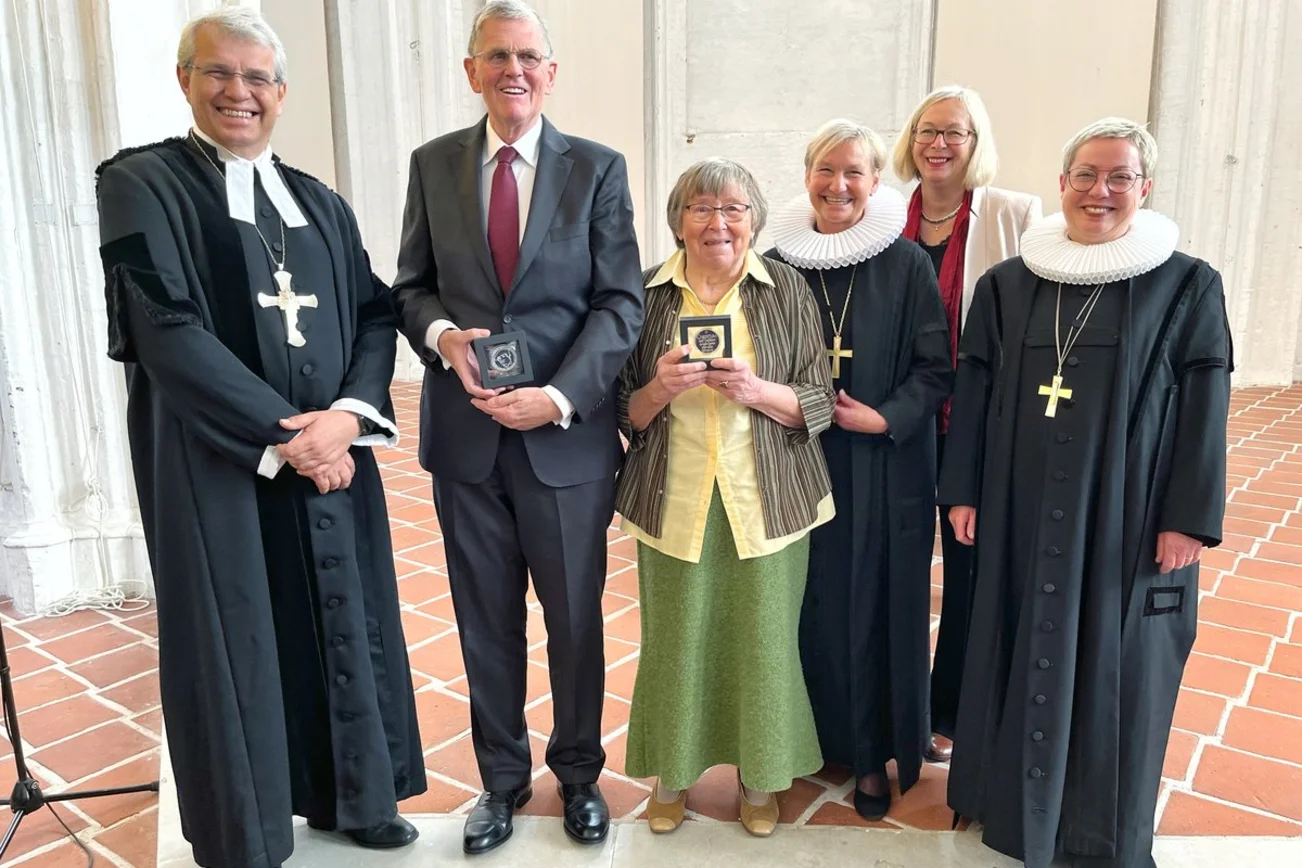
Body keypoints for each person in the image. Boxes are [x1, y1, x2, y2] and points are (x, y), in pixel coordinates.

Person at [94, 7, 423, 867]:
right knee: (236, 634)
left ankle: (354, 796)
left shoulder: (318, 200)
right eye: (219, 74)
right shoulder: (141, 184)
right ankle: (246, 829)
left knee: (343, 618)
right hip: (218, 462)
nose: (239, 92)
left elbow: (375, 314)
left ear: (281, 92)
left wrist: (348, 418)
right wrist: (287, 437)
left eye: (257, 78)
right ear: (186, 82)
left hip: (330, 456)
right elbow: (163, 324)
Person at [939, 118, 1232, 868]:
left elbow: (1205, 408)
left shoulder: (1187, 283)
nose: (1100, 192)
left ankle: (1094, 827)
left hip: (1125, 514)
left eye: (1120, 178)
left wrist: (1188, 519)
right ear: (1062, 183)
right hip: (1016, 501)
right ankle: (1002, 800)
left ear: (1145, 188)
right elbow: (972, 388)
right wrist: (963, 489)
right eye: (1086, 176)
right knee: (1007, 631)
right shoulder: (1008, 283)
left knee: (1116, 654)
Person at [390, 0, 643, 856]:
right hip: (467, 443)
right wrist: (440, 335)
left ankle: (578, 775)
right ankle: (501, 782)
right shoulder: (432, 165)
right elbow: (411, 285)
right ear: (471, 70)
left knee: (574, 621)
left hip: (565, 444)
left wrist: (561, 398)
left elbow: (620, 302)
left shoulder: (597, 170)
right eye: (497, 55)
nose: (514, 71)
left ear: (551, 70)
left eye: (529, 56)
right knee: (483, 621)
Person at [618, 158, 835, 838]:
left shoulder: (787, 290)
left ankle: (760, 779)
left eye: (734, 209)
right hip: (674, 497)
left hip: (768, 497)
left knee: (764, 645)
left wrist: (757, 391)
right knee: (674, 645)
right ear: (678, 220)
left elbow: (819, 401)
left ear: (755, 220)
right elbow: (622, 412)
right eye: (701, 209)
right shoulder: (647, 295)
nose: (718, 223)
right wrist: (659, 388)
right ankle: (672, 779)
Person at [767, 120, 953, 819]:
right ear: (806, 174)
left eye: (855, 172)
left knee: (871, 606)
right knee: (801, 605)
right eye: (826, 169)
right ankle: (798, 741)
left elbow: (936, 370)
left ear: (877, 182)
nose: (838, 185)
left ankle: (873, 751)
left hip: (877, 466)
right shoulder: (778, 261)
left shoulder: (904, 264)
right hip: (794, 458)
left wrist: (884, 417)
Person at [891, 85, 1043, 762]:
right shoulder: (884, 214)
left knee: (969, 567)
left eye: (956, 133)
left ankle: (954, 708)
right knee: (894, 567)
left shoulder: (1014, 213)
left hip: (974, 420)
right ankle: (899, 706)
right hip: (897, 419)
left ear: (976, 143)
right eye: (928, 130)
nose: (939, 144)